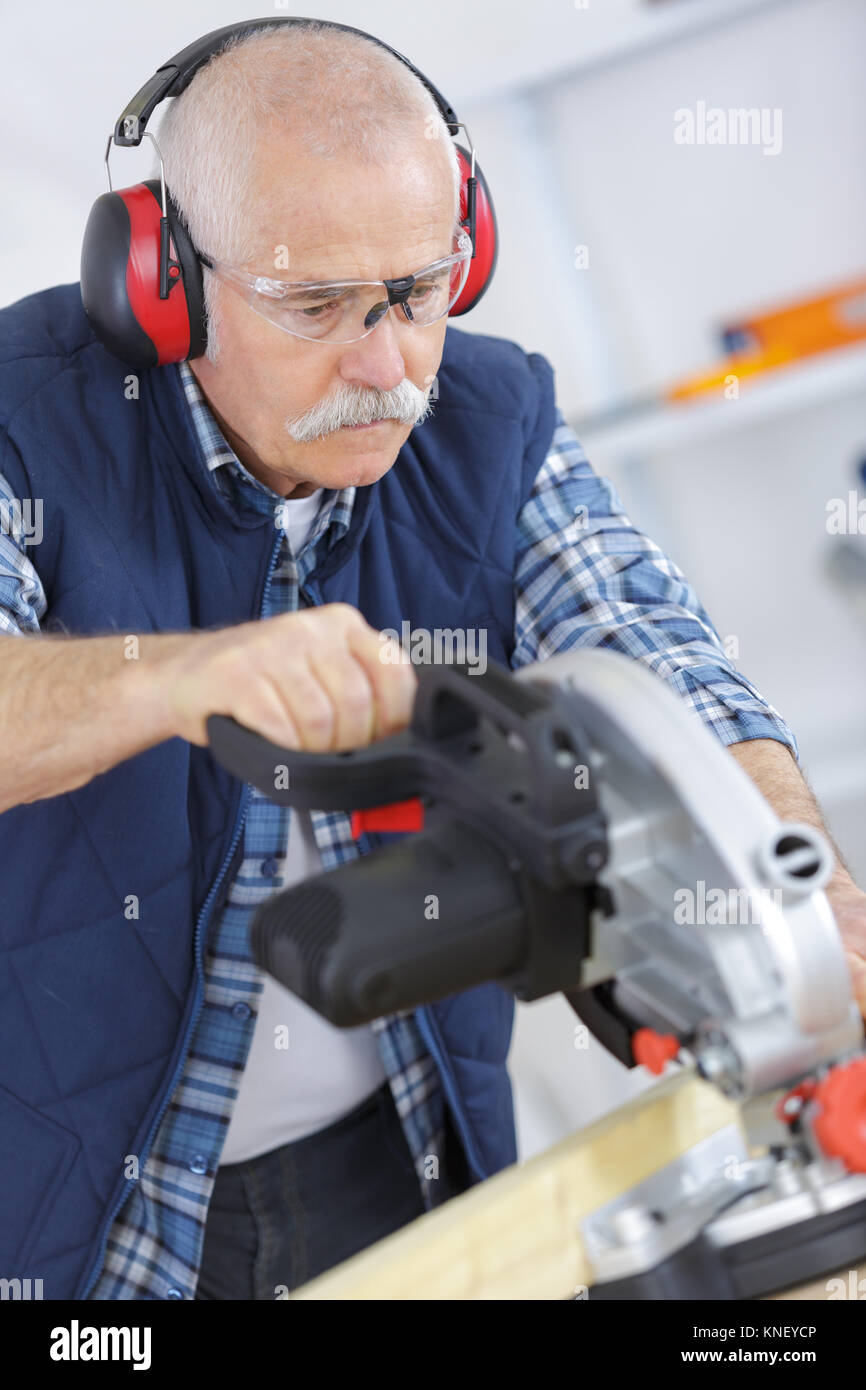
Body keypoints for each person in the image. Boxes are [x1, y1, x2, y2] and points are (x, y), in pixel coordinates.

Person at [1, 19, 864, 1302]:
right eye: (315, 305)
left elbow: (654, 653)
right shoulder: (26, 423)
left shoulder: (491, 417)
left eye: (415, 292)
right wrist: (171, 679)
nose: (384, 364)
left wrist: (802, 896)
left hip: (403, 1157)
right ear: (163, 280)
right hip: (81, 1203)